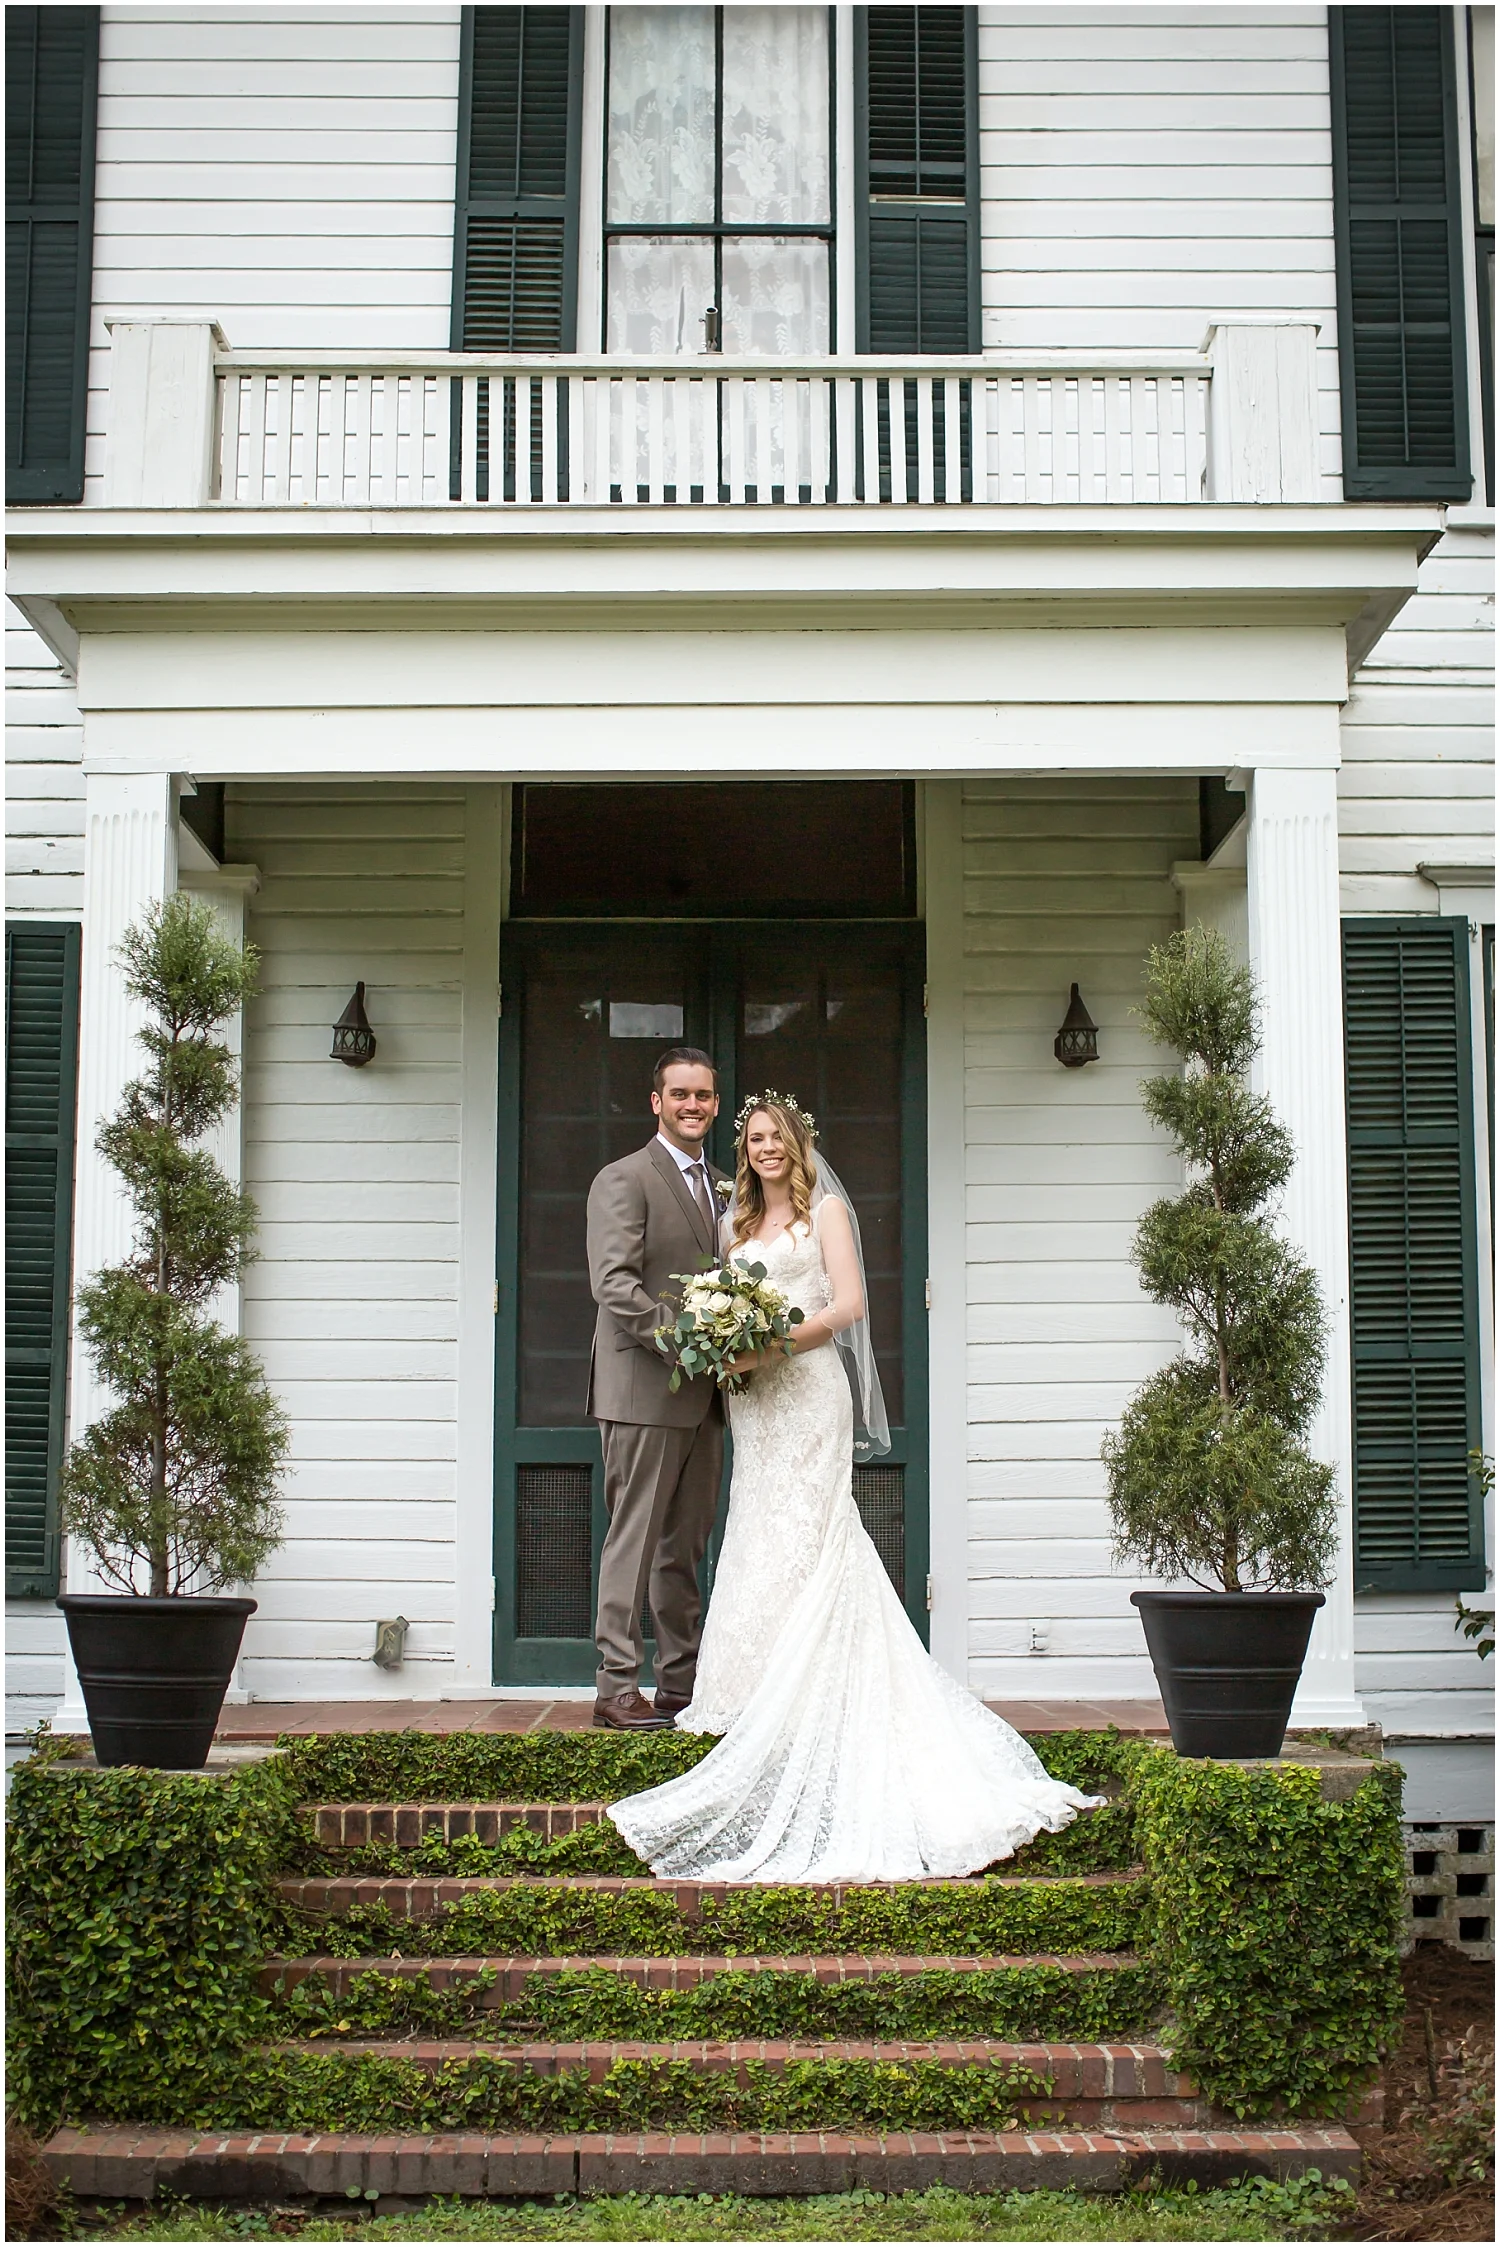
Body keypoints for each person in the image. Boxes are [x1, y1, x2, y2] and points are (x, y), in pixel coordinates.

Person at [609, 1094, 1100, 1876]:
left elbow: (847, 1304)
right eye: (756, 1139)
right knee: (760, 1527)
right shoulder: (736, 1226)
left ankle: (817, 1693)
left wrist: (766, 1344)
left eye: (779, 1137)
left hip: (805, 1392)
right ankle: (750, 1692)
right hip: (756, 1406)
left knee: (812, 1530)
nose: (768, 1148)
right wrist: (727, 1346)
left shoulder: (826, 1210)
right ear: (746, 1150)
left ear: (800, 1141)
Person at [585, 1048, 728, 1732]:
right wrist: (687, 1341)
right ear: (656, 1102)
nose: (691, 1104)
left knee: (684, 1546)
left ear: (716, 1102)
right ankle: (616, 1686)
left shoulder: (726, 1189)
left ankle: (679, 1682)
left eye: (702, 1094)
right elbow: (615, 1285)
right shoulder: (624, 1178)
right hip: (644, 1387)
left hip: (708, 1399)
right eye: (679, 1094)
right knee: (633, 1541)